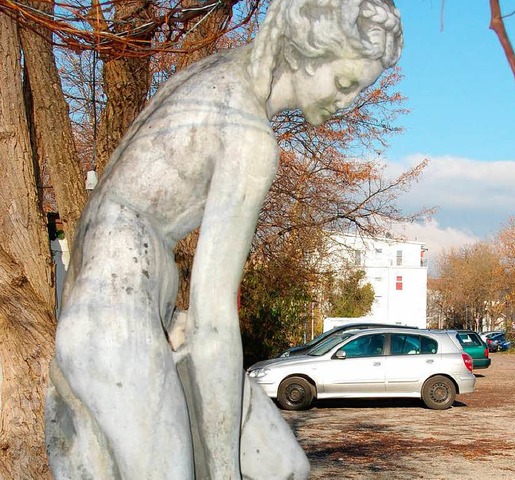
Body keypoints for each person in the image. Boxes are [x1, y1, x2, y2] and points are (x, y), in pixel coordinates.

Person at [45, 0, 402, 478]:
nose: (348, 102)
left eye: (360, 89)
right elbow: (214, 323)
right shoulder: (249, 137)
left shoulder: (221, 72)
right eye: (344, 83)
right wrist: (223, 468)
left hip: (142, 306)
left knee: (284, 466)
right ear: (307, 53)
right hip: (114, 311)